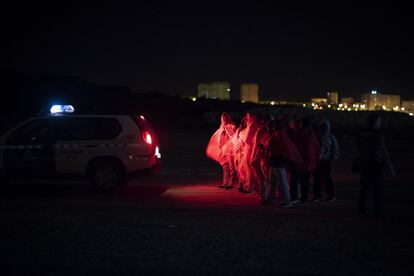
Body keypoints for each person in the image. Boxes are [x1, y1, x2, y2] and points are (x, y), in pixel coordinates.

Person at [356, 113, 395, 218]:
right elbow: (383, 150)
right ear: (376, 122)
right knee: (377, 189)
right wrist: (389, 165)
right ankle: (378, 212)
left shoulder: (362, 134)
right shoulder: (378, 134)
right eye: (379, 121)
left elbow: (359, 148)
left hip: (365, 163)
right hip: (376, 164)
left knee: (364, 188)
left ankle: (361, 210)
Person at [265, 116, 302, 207]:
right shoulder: (280, 133)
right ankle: (271, 198)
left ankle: (287, 201)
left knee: (282, 181)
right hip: (275, 160)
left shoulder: (280, 134)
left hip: (277, 160)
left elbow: (285, 148)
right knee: (273, 181)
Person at [291, 117, 321, 204]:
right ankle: (302, 197)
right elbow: (316, 149)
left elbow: (309, 149)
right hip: (307, 161)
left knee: (299, 180)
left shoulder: (305, 133)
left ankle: (299, 197)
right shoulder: (311, 134)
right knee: (304, 181)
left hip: (303, 161)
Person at [206, 112, 237, 189]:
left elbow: (233, 136)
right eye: (223, 119)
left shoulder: (232, 126)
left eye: (226, 118)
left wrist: (226, 129)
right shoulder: (221, 127)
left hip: (230, 151)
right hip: (223, 150)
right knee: (225, 167)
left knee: (232, 167)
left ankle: (230, 184)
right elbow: (218, 138)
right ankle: (225, 183)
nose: (224, 120)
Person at [313, 119, 340, 202]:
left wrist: (333, 159)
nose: (323, 128)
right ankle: (317, 196)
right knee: (317, 178)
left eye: (324, 127)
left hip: (326, 160)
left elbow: (335, 149)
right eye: (322, 127)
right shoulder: (316, 136)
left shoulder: (331, 137)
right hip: (317, 160)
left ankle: (331, 195)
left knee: (327, 178)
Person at [250, 115, 271, 200]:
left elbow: (256, 144)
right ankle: (265, 194)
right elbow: (256, 144)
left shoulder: (263, 131)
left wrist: (254, 155)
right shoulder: (263, 131)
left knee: (264, 177)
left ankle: (265, 195)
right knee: (264, 177)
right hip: (262, 155)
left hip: (263, 156)